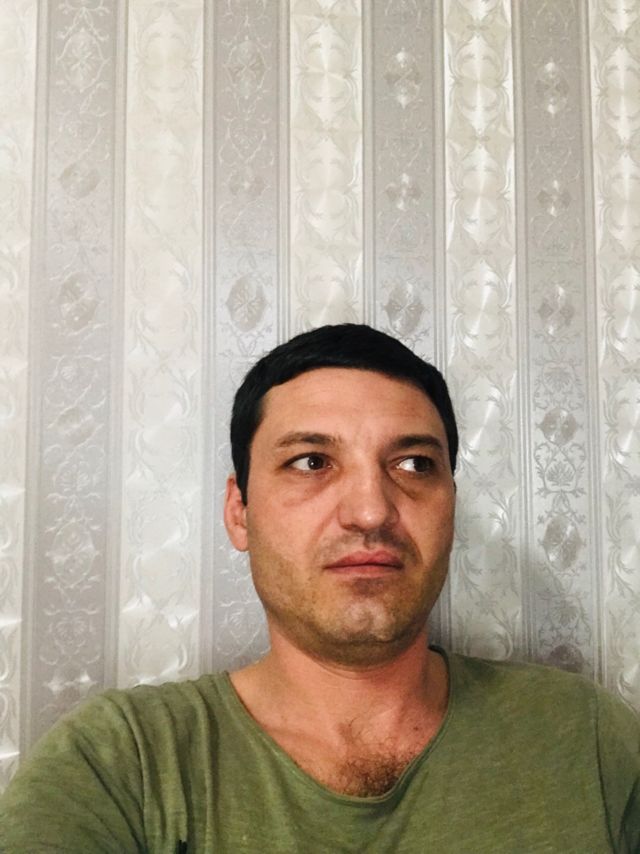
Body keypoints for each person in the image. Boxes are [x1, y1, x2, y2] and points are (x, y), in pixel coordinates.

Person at [0, 323, 638, 852]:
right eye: (311, 462)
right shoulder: (121, 765)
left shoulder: (587, 740)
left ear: (451, 504)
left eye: (414, 464)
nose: (371, 511)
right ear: (240, 512)